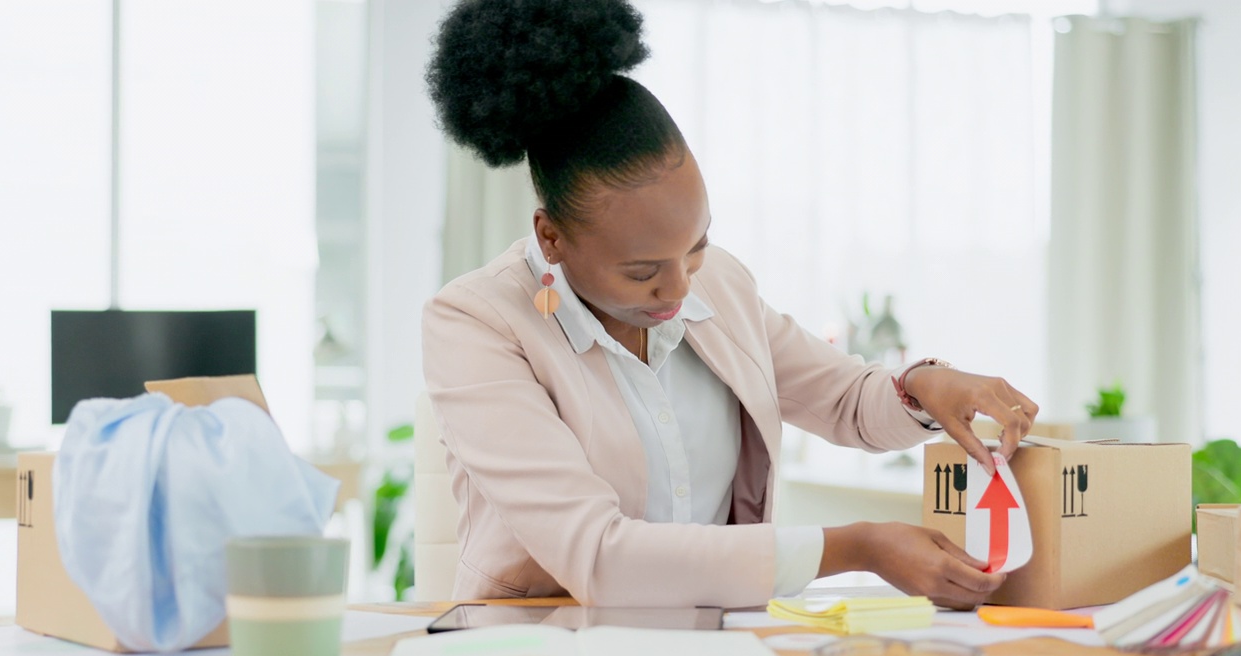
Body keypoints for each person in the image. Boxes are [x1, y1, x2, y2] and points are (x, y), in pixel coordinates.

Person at [421, 0, 1040, 610]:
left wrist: (924, 384)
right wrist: (858, 548)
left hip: (712, 648)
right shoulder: (476, 324)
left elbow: (847, 401)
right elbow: (600, 557)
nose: (681, 289)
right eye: (642, 273)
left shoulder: (721, 285)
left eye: (696, 246)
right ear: (550, 236)